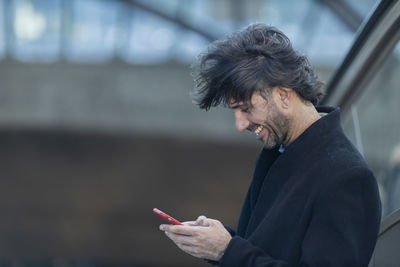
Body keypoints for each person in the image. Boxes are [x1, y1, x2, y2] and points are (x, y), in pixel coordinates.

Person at [159, 24, 381, 266]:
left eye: (246, 109)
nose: (240, 125)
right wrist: (216, 241)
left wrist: (227, 250)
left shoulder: (347, 177)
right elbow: (269, 249)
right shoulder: (280, 153)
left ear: (284, 96)